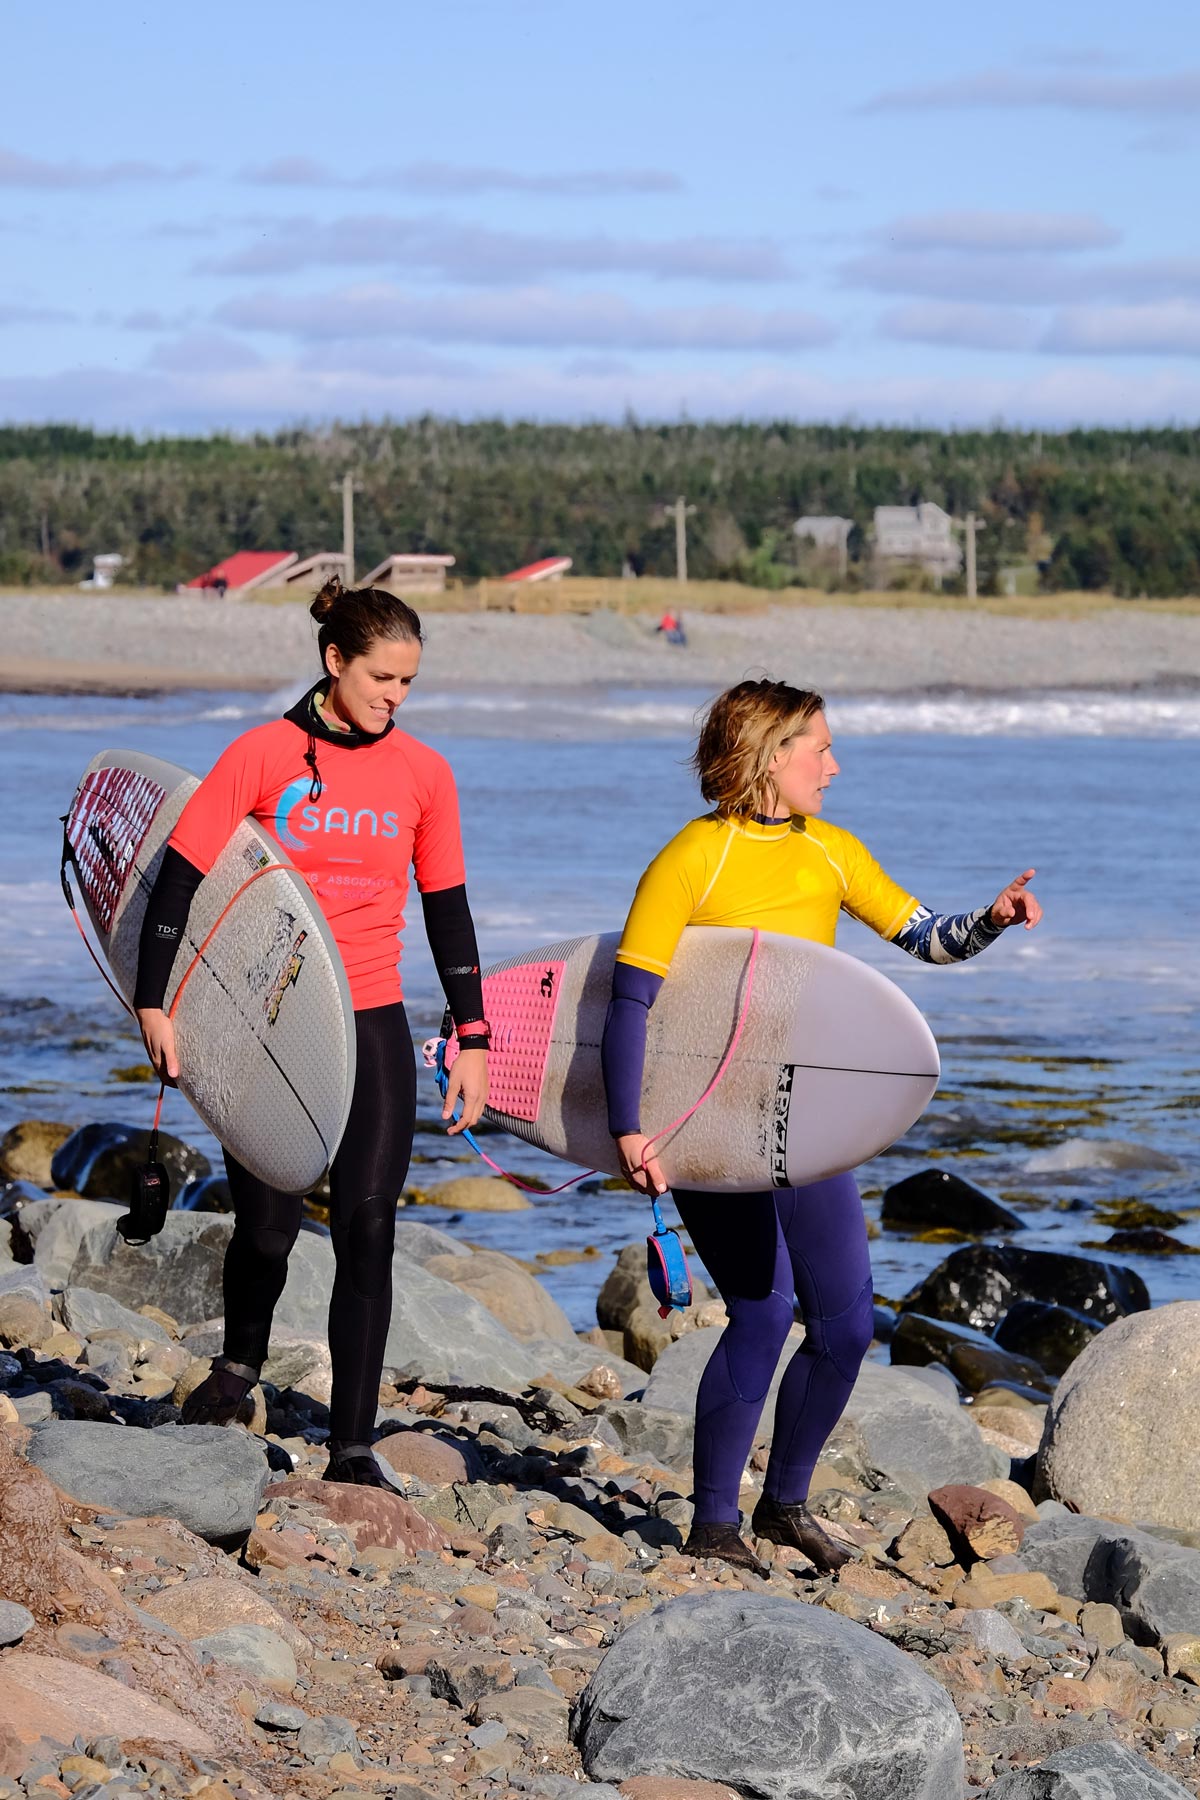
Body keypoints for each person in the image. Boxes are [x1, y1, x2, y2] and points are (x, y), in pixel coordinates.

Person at [600, 678, 1041, 1574]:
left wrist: (990, 923)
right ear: (770, 756)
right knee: (761, 1314)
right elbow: (630, 1001)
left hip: (803, 1128)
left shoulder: (830, 854)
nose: (834, 767)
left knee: (845, 1325)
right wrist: (627, 1129)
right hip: (715, 1130)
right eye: (820, 750)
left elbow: (923, 935)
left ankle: (784, 1506)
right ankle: (714, 1521)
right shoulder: (693, 859)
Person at [134, 576, 490, 1488]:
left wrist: (473, 1037)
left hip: (370, 1011)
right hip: (267, 1018)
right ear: (335, 661)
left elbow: (448, 912)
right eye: (382, 679)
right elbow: (179, 876)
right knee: (267, 1229)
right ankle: (241, 1362)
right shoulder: (263, 753)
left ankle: (355, 1443)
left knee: (369, 1223)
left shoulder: (423, 774)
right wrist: (155, 1001)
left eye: (409, 683)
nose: (395, 698)